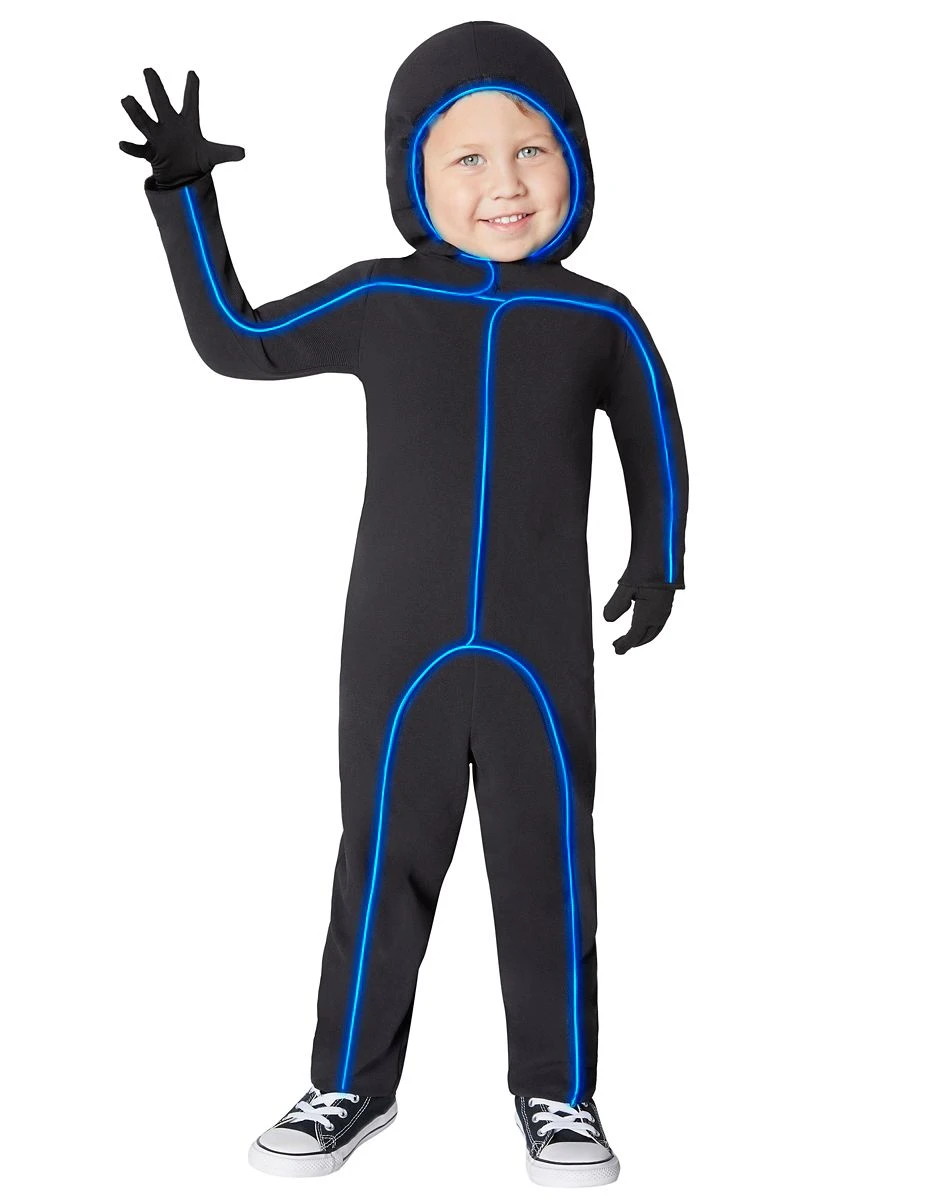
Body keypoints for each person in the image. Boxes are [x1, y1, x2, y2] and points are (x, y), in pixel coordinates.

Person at [119, 19, 688, 1188]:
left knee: (546, 861)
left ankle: (558, 1094)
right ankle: (347, 1083)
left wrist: (658, 559)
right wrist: (183, 198)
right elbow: (238, 339)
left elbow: (651, 435)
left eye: (529, 150)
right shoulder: (384, 297)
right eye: (465, 157)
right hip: (399, 639)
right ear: (411, 179)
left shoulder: (599, 318)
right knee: (382, 858)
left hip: (536, 645)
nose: (503, 183)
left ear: (574, 161)